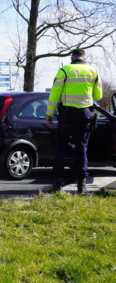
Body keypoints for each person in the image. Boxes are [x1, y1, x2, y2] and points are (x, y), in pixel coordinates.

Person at [47, 48, 102, 193]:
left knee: (61, 147)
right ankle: (81, 187)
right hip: (85, 115)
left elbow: (54, 94)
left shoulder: (64, 71)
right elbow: (98, 96)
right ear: (84, 58)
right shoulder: (93, 71)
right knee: (81, 148)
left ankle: (58, 184)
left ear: (72, 58)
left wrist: (49, 114)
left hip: (67, 114)